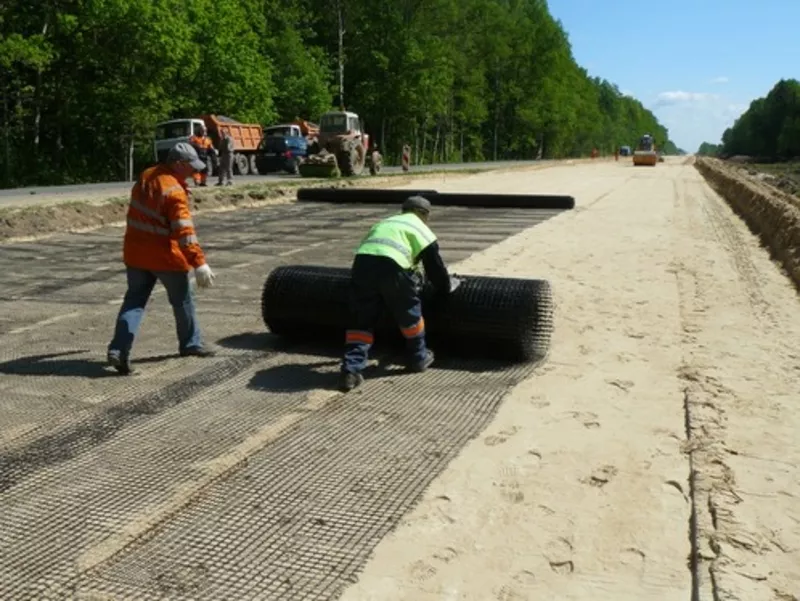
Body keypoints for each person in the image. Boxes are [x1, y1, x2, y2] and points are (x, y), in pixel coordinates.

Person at [106, 142, 217, 375]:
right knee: (183, 300)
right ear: (178, 164)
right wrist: (199, 263)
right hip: (166, 257)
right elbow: (184, 232)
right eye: (191, 167)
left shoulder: (147, 175)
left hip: (136, 254)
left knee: (134, 302)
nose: (195, 171)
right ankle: (190, 344)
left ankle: (118, 349)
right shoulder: (174, 192)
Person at [338, 195, 459, 393]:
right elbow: (435, 269)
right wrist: (447, 286)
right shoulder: (421, 229)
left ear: (403, 210)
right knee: (409, 313)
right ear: (424, 214)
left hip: (362, 266)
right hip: (393, 269)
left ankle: (350, 371)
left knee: (361, 319)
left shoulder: (385, 222)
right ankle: (418, 357)